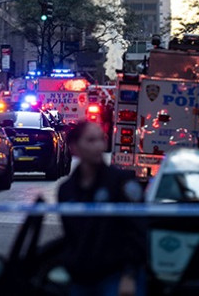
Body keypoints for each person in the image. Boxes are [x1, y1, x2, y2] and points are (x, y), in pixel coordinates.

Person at [57, 120, 148, 296]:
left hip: (116, 276)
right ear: (74, 147)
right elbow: (71, 237)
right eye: (91, 140)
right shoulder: (67, 190)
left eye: (101, 139)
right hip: (81, 279)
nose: (99, 146)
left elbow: (138, 231)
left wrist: (129, 275)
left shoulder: (122, 183)